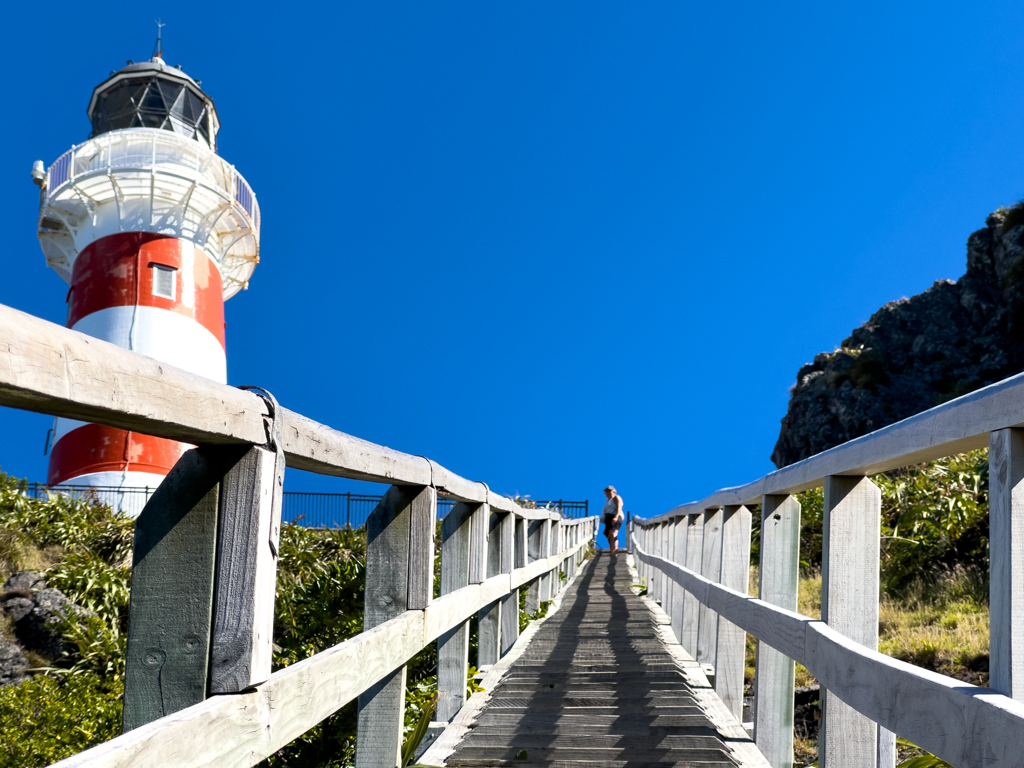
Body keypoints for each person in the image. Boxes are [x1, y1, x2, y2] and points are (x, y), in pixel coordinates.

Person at [602, 485, 624, 555]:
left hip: (615, 516)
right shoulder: (607, 501)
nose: (608, 494)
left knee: (613, 532)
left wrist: (616, 517)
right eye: (606, 492)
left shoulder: (616, 497)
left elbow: (619, 507)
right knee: (608, 535)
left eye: (609, 492)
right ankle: (612, 550)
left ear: (613, 492)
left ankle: (614, 551)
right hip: (608, 518)